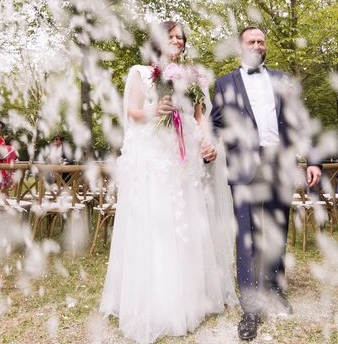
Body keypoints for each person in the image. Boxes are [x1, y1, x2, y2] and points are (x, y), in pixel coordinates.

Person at [99, 20, 237, 344]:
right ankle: (158, 305)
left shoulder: (190, 77)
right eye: (171, 36)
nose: (176, 41)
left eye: (180, 38)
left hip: (183, 159)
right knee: (157, 225)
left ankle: (190, 299)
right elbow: (133, 112)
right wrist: (154, 109)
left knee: (186, 224)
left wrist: (206, 143)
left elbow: (200, 115)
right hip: (155, 160)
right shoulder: (140, 73)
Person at [210, 26, 322, 341]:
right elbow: (215, 124)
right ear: (240, 47)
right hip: (244, 165)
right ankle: (250, 307)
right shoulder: (224, 83)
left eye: (261, 41)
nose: (257, 45)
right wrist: (207, 145)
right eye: (251, 41)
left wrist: (312, 159)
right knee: (247, 233)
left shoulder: (284, 79)